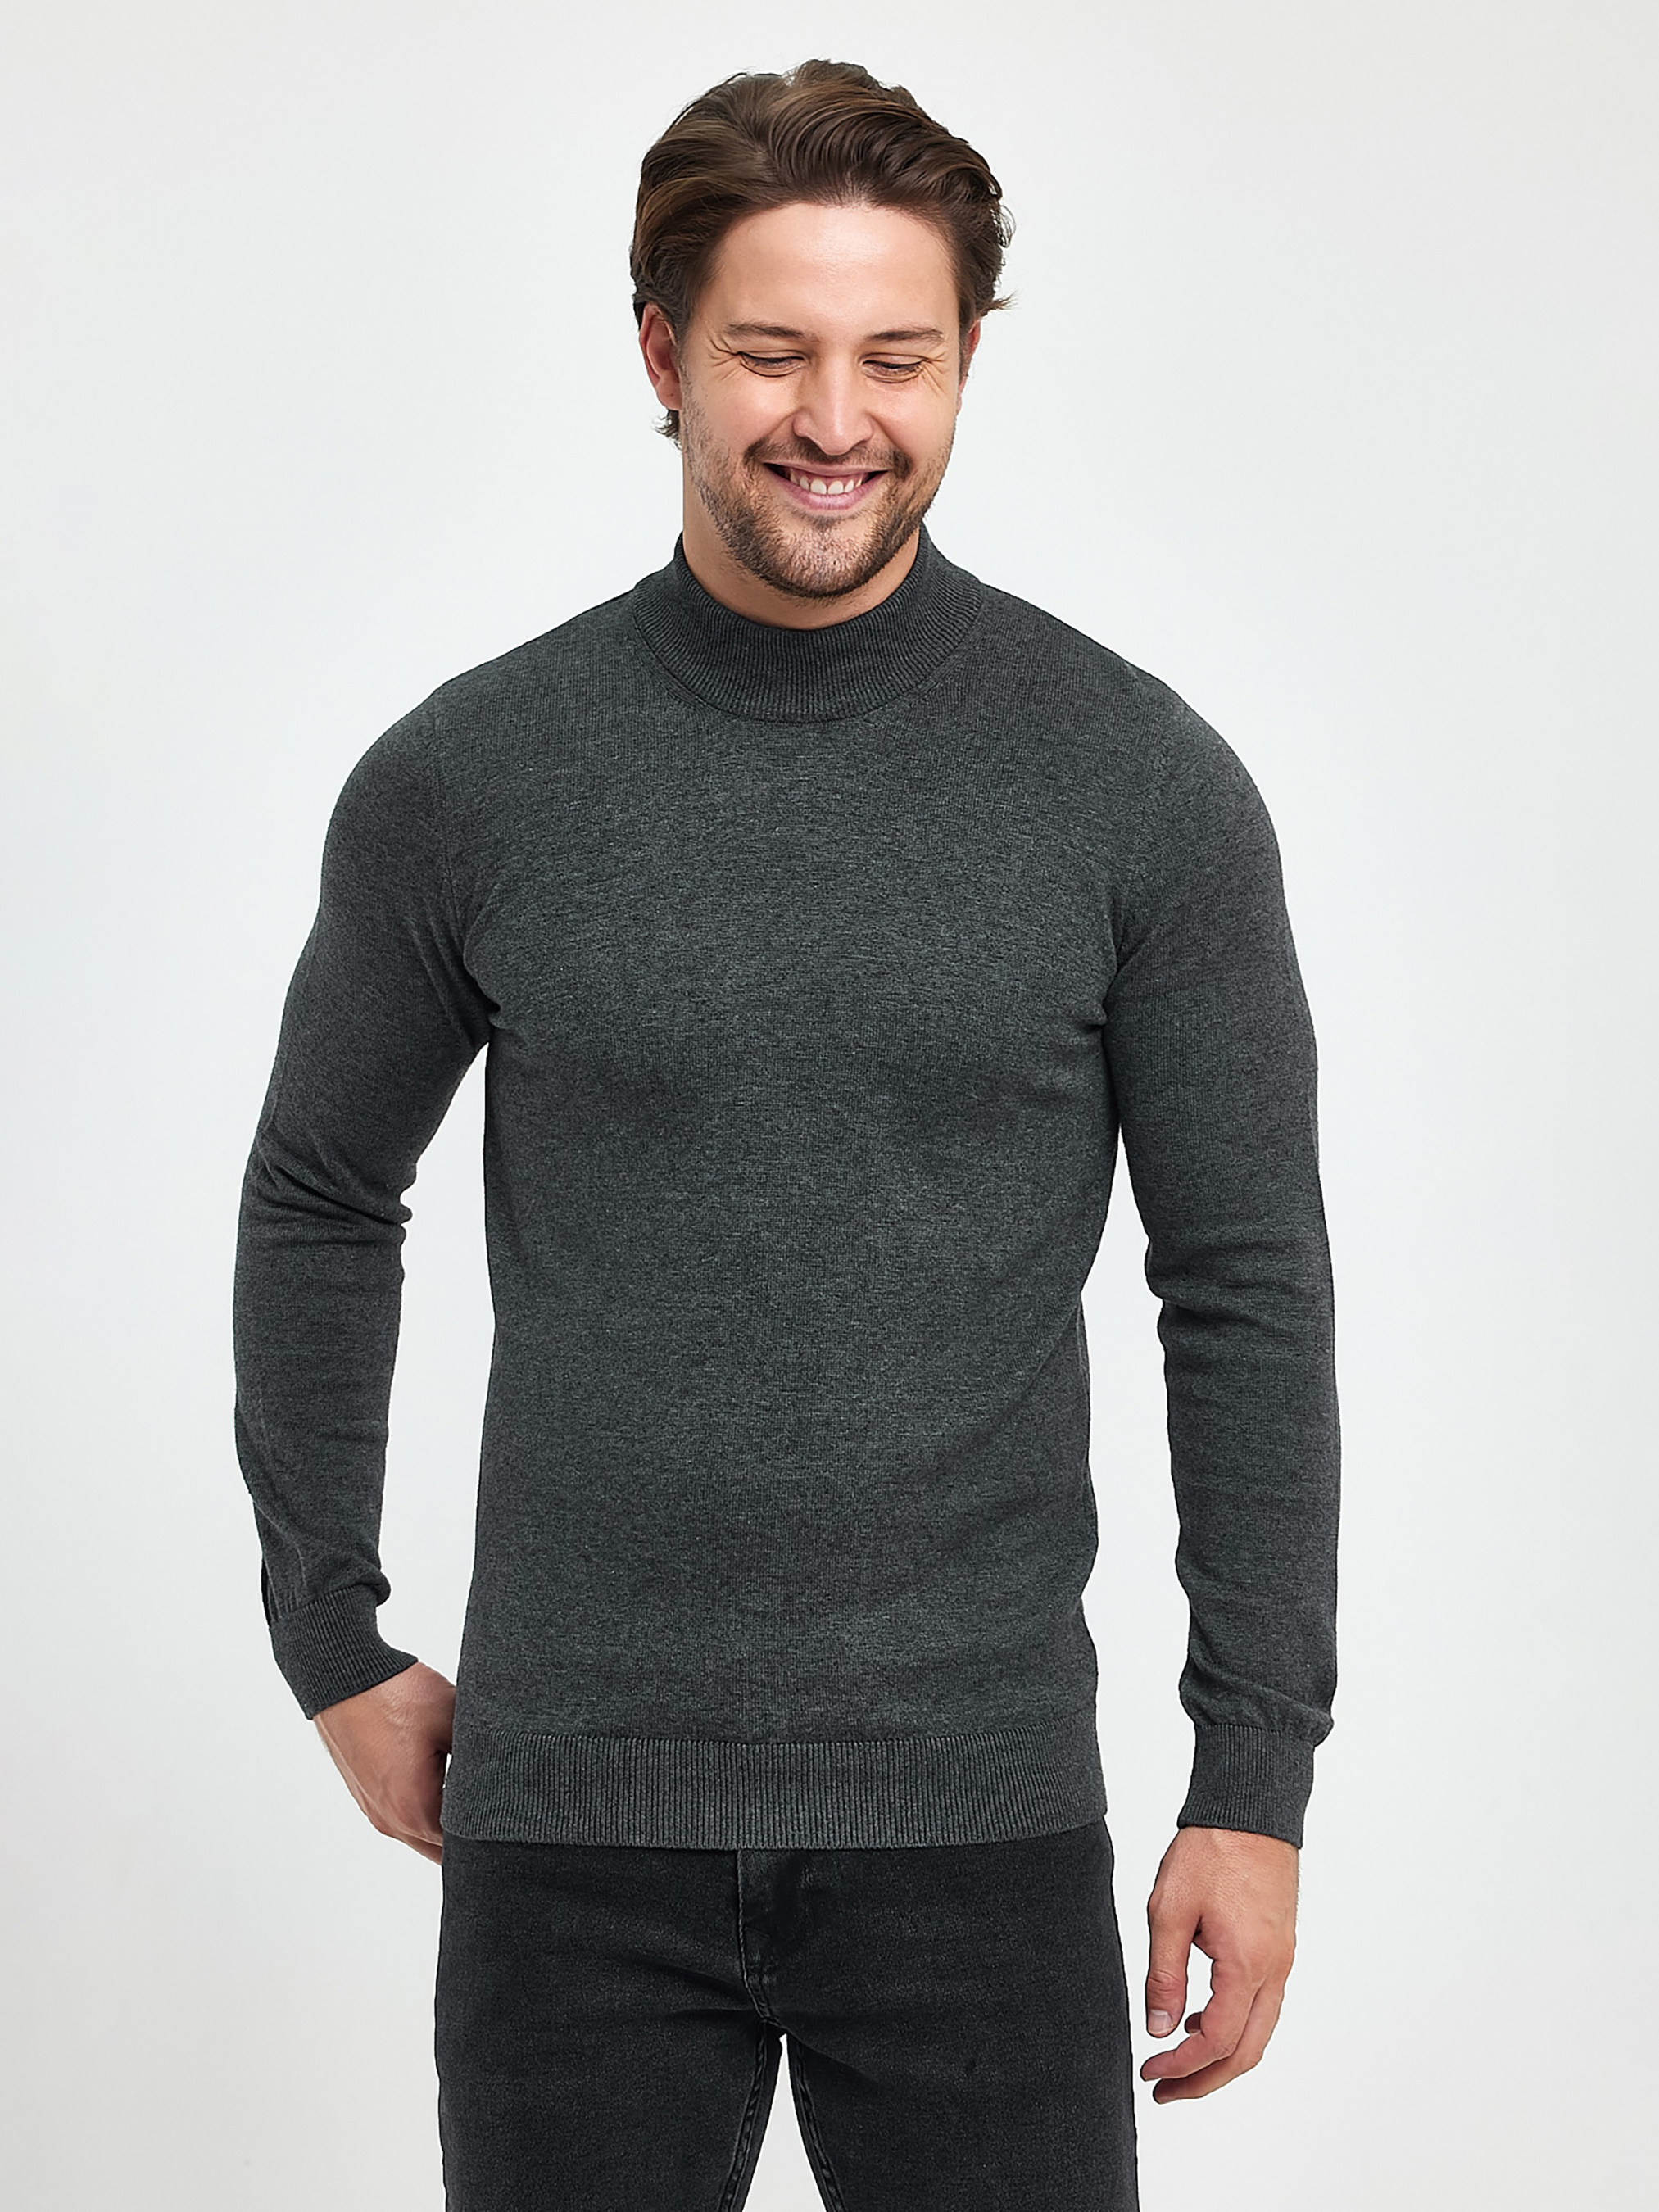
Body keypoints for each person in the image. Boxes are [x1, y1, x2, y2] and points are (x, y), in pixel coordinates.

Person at [233, 57, 1339, 2212]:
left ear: (964, 364)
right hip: (570, 1833)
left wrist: (1254, 1773)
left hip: (981, 1824)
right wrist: (326, 1631)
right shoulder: (472, 781)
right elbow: (319, 1191)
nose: (836, 418)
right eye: (771, 351)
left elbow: (1244, 1290)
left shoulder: (1137, 786)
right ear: (662, 353)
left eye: (894, 356)